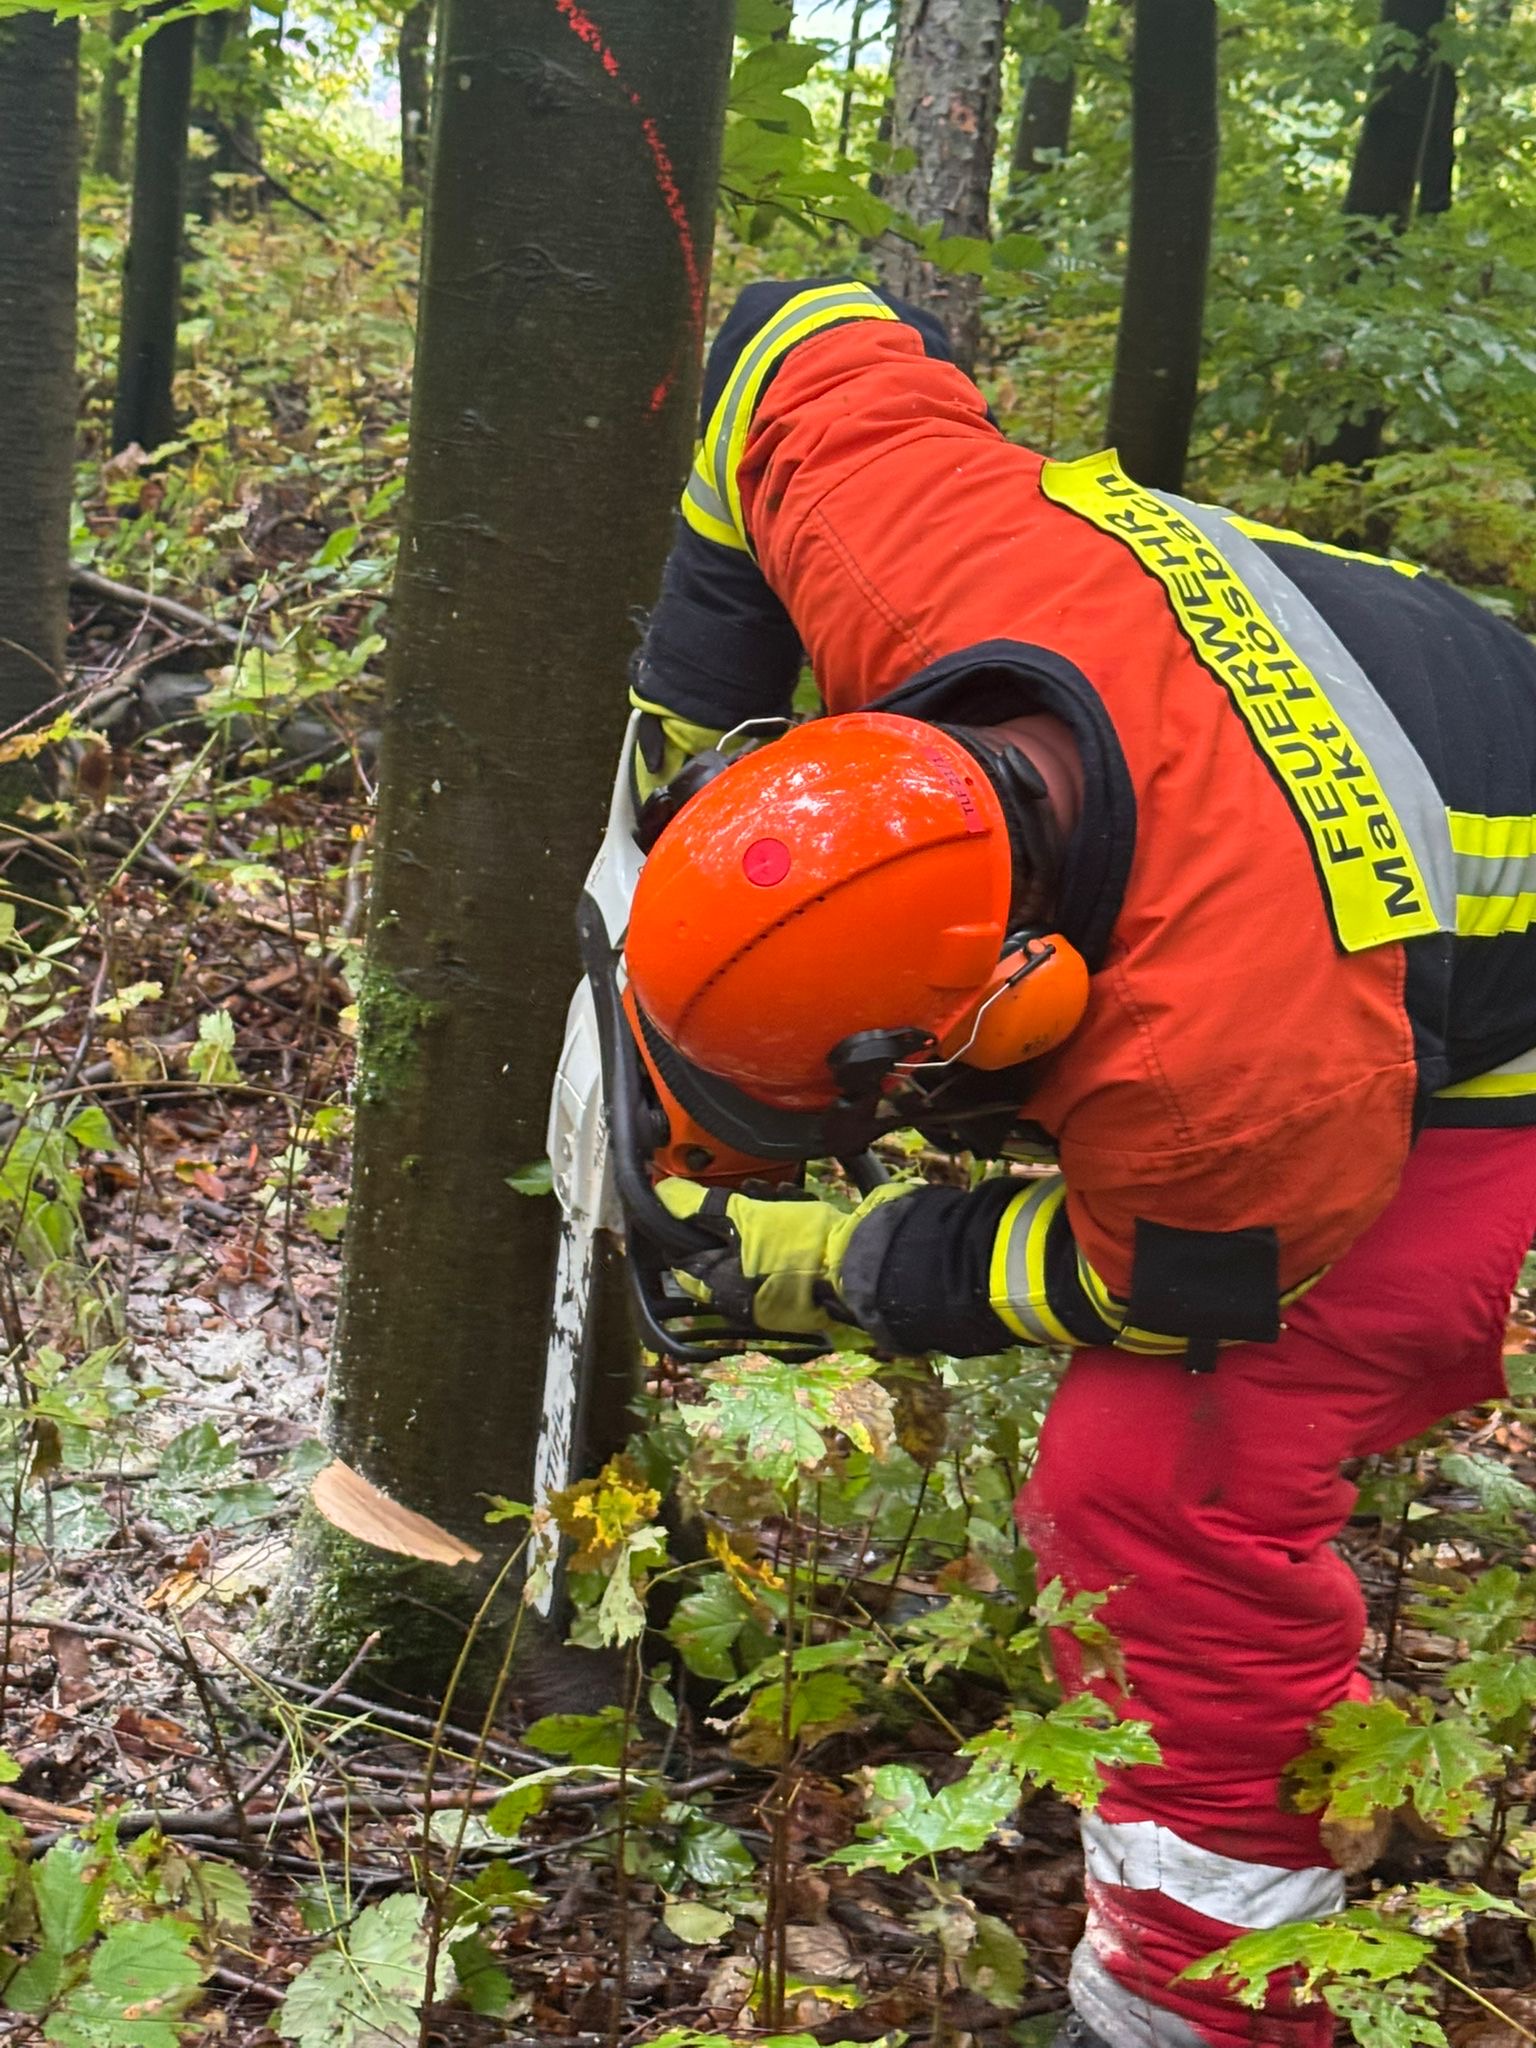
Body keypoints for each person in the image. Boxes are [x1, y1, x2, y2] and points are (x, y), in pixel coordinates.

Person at [618, 277, 1536, 2048]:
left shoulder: (1225, 1086)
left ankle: (1205, 2004)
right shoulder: (912, 551)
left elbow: (1158, 1279)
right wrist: (673, 764)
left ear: (1017, 1007)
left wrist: (829, 1268)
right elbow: (787, 337)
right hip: (1407, 730)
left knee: (1164, 1476)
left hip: (1481, 1018)